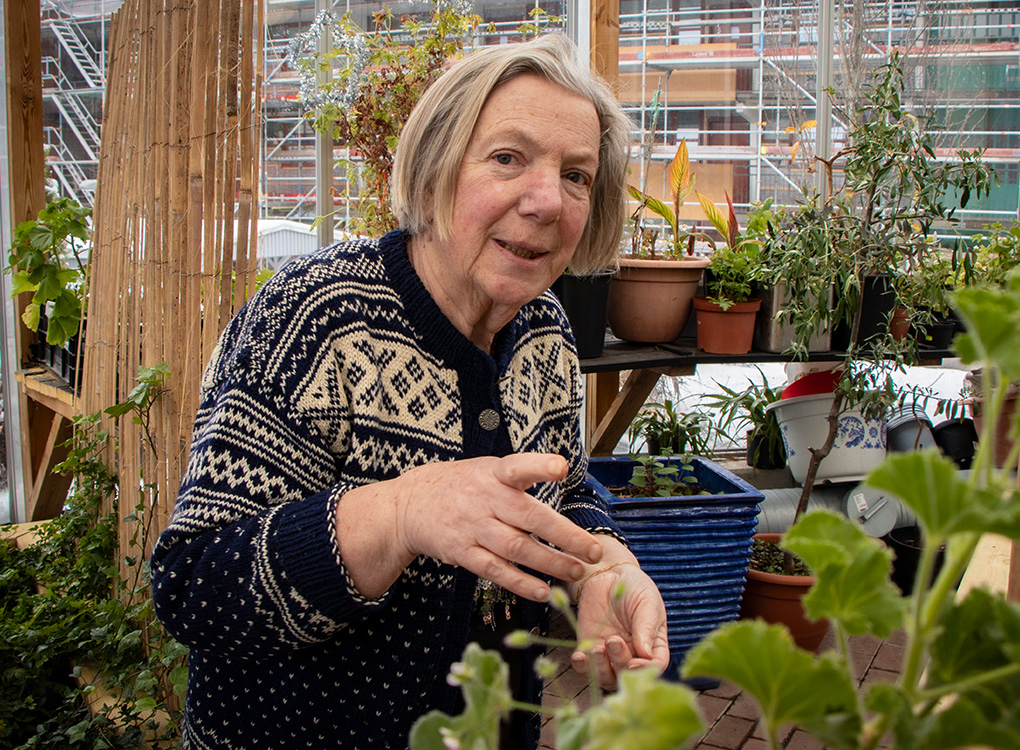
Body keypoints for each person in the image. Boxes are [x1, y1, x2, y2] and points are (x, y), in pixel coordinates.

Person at [150, 34, 670, 750]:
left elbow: (565, 488)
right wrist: (399, 514)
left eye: (577, 175)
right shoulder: (318, 318)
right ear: (434, 173)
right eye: (508, 158)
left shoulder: (543, 326)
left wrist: (603, 564)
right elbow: (195, 587)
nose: (548, 200)